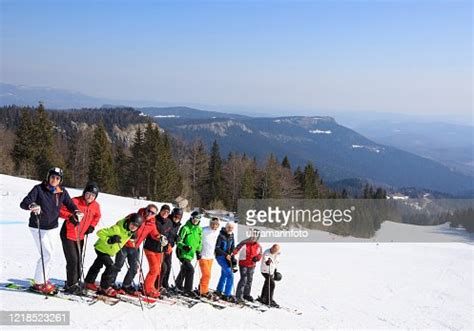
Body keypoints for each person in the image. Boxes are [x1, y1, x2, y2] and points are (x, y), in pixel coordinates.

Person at [20, 167, 80, 294]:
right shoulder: (39, 189)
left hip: (52, 227)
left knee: (50, 255)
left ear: (60, 180)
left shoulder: (62, 191)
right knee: (46, 254)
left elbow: (70, 204)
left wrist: (76, 211)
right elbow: (24, 202)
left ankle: (44, 279)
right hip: (38, 226)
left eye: (57, 178)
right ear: (48, 177)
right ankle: (39, 283)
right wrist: (32, 206)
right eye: (52, 177)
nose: (54, 180)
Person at [84, 213, 144, 297]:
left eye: (136, 226)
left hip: (108, 251)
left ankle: (89, 282)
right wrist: (110, 239)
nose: (133, 227)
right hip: (102, 249)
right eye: (133, 224)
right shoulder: (117, 229)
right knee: (111, 267)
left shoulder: (129, 232)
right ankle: (104, 287)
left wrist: (132, 236)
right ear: (129, 222)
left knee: (97, 264)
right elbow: (100, 232)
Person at [59, 182, 101, 295]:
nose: (90, 197)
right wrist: (70, 216)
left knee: (78, 260)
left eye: (93, 195)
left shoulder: (96, 206)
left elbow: (97, 216)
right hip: (68, 234)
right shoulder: (74, 201)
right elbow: (60, 210)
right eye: (88, 194)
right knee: (72, 260)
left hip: (80, 236)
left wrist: (92, 226)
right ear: (84, 193)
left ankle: (75, 281)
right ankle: (71, 285)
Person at [111, 204, 161, 296]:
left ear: (155, 215)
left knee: (134, 268)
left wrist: (160, 237)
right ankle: (110, 283)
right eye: (148, 211)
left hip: (135, 247)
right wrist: (129, 233)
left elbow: (154, 234)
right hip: (124, 244)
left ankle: (126, 285)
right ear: (145, 209)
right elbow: (120, 223)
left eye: (152, 213)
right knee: (118, 265)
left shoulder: (152, 223)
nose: (149, 213)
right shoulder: (135, 216)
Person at [142, 204, 172, 298]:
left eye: (167, 212)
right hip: (150, 248)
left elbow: (169, 235)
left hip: (160, 250)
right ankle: (146, 289)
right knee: (154, 269)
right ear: (160, 211)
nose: (165, 213)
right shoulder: (154, 219)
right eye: (164, 211)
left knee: (158, 270)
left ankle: (152, 287)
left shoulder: (169, 223)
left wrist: (168, 245)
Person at [175, 211, 202, 297]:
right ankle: (188, 290)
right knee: (190, 270)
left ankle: (178, 285)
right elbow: (178, 241)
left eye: (197, 219)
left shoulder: (199, 230)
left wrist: (198, 251)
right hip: (182, 252)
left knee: (185, 269)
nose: (195, 221)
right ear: (191, 218)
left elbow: (199, 242)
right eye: (194, 219)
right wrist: (184, 246)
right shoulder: (185, 228)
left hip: (190, 254)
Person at [232, 228, 262, 302]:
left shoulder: (258, 245)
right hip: (243, 264)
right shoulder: (244, 243)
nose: (254, 237)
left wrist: (257, 258)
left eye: (256, 235)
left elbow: (260, 254)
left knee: (249, 280)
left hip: (252, 265)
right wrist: (232, 255)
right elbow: (236, 249)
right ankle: (239, 295)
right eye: (253, 235)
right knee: (244, 279)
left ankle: (246, 294)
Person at [159, 207, 183, 292]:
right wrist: (167, 243)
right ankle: (158, 284)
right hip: (163, 247)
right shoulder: (168, 222)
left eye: (179, 218)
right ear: (172, 215)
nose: (177, 219)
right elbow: (165, 234)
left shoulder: (177, 225)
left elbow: (172, 234)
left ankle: (165, 284)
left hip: (170, 248)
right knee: (163, 267)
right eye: (175, 217)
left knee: (168, 266)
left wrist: (176, 237)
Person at [198, 217, 220, 298]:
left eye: (216, 224)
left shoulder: (218, 232)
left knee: (205, 275)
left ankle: (201, 288)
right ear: (210, 223)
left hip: (210, 257)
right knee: (207, 275)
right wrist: (198, 250)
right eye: (213, 223)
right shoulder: (203, 230)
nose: (214, 225)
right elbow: (197, 238)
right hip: (202, 256)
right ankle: (204, 292)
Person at [214, 222, 237, 302]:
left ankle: (219, 290)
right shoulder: (221, 236)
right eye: (229, 227)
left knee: (224, 274)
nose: (230, 229)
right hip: (220, 256)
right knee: (230, 274)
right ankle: (227, 294)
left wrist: (232, 254)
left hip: (228, 257)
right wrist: (225, 254)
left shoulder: (232, 235)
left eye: (231, 227)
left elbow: (233, 246)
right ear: (226, 227)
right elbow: (217, 248)